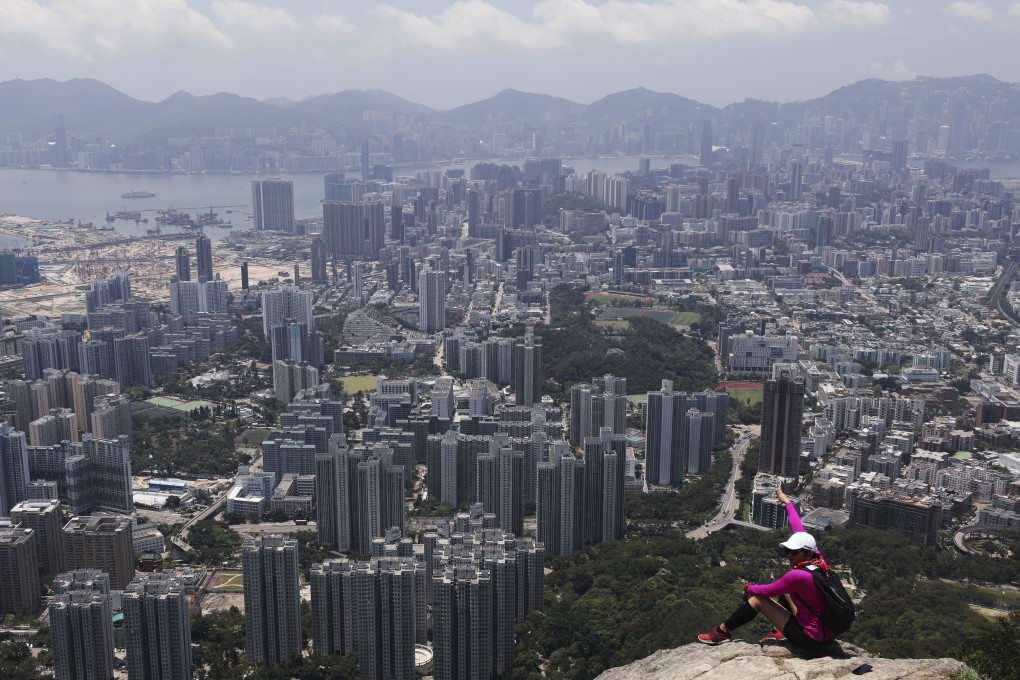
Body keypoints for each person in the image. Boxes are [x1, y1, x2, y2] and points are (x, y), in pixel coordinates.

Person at [697, 488, 832, 650]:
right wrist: (787, 502)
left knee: (757, 600)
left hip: (810, 641)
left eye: (793, 552)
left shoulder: (798, 576)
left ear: (807, 552)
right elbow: (798, 529)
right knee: (789, 591)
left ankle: (722, 631)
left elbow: (766, 591)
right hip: (825, 634)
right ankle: (779, 630)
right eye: (787, 550)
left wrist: (748, 588)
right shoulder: (818, 560)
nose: (789, 555)